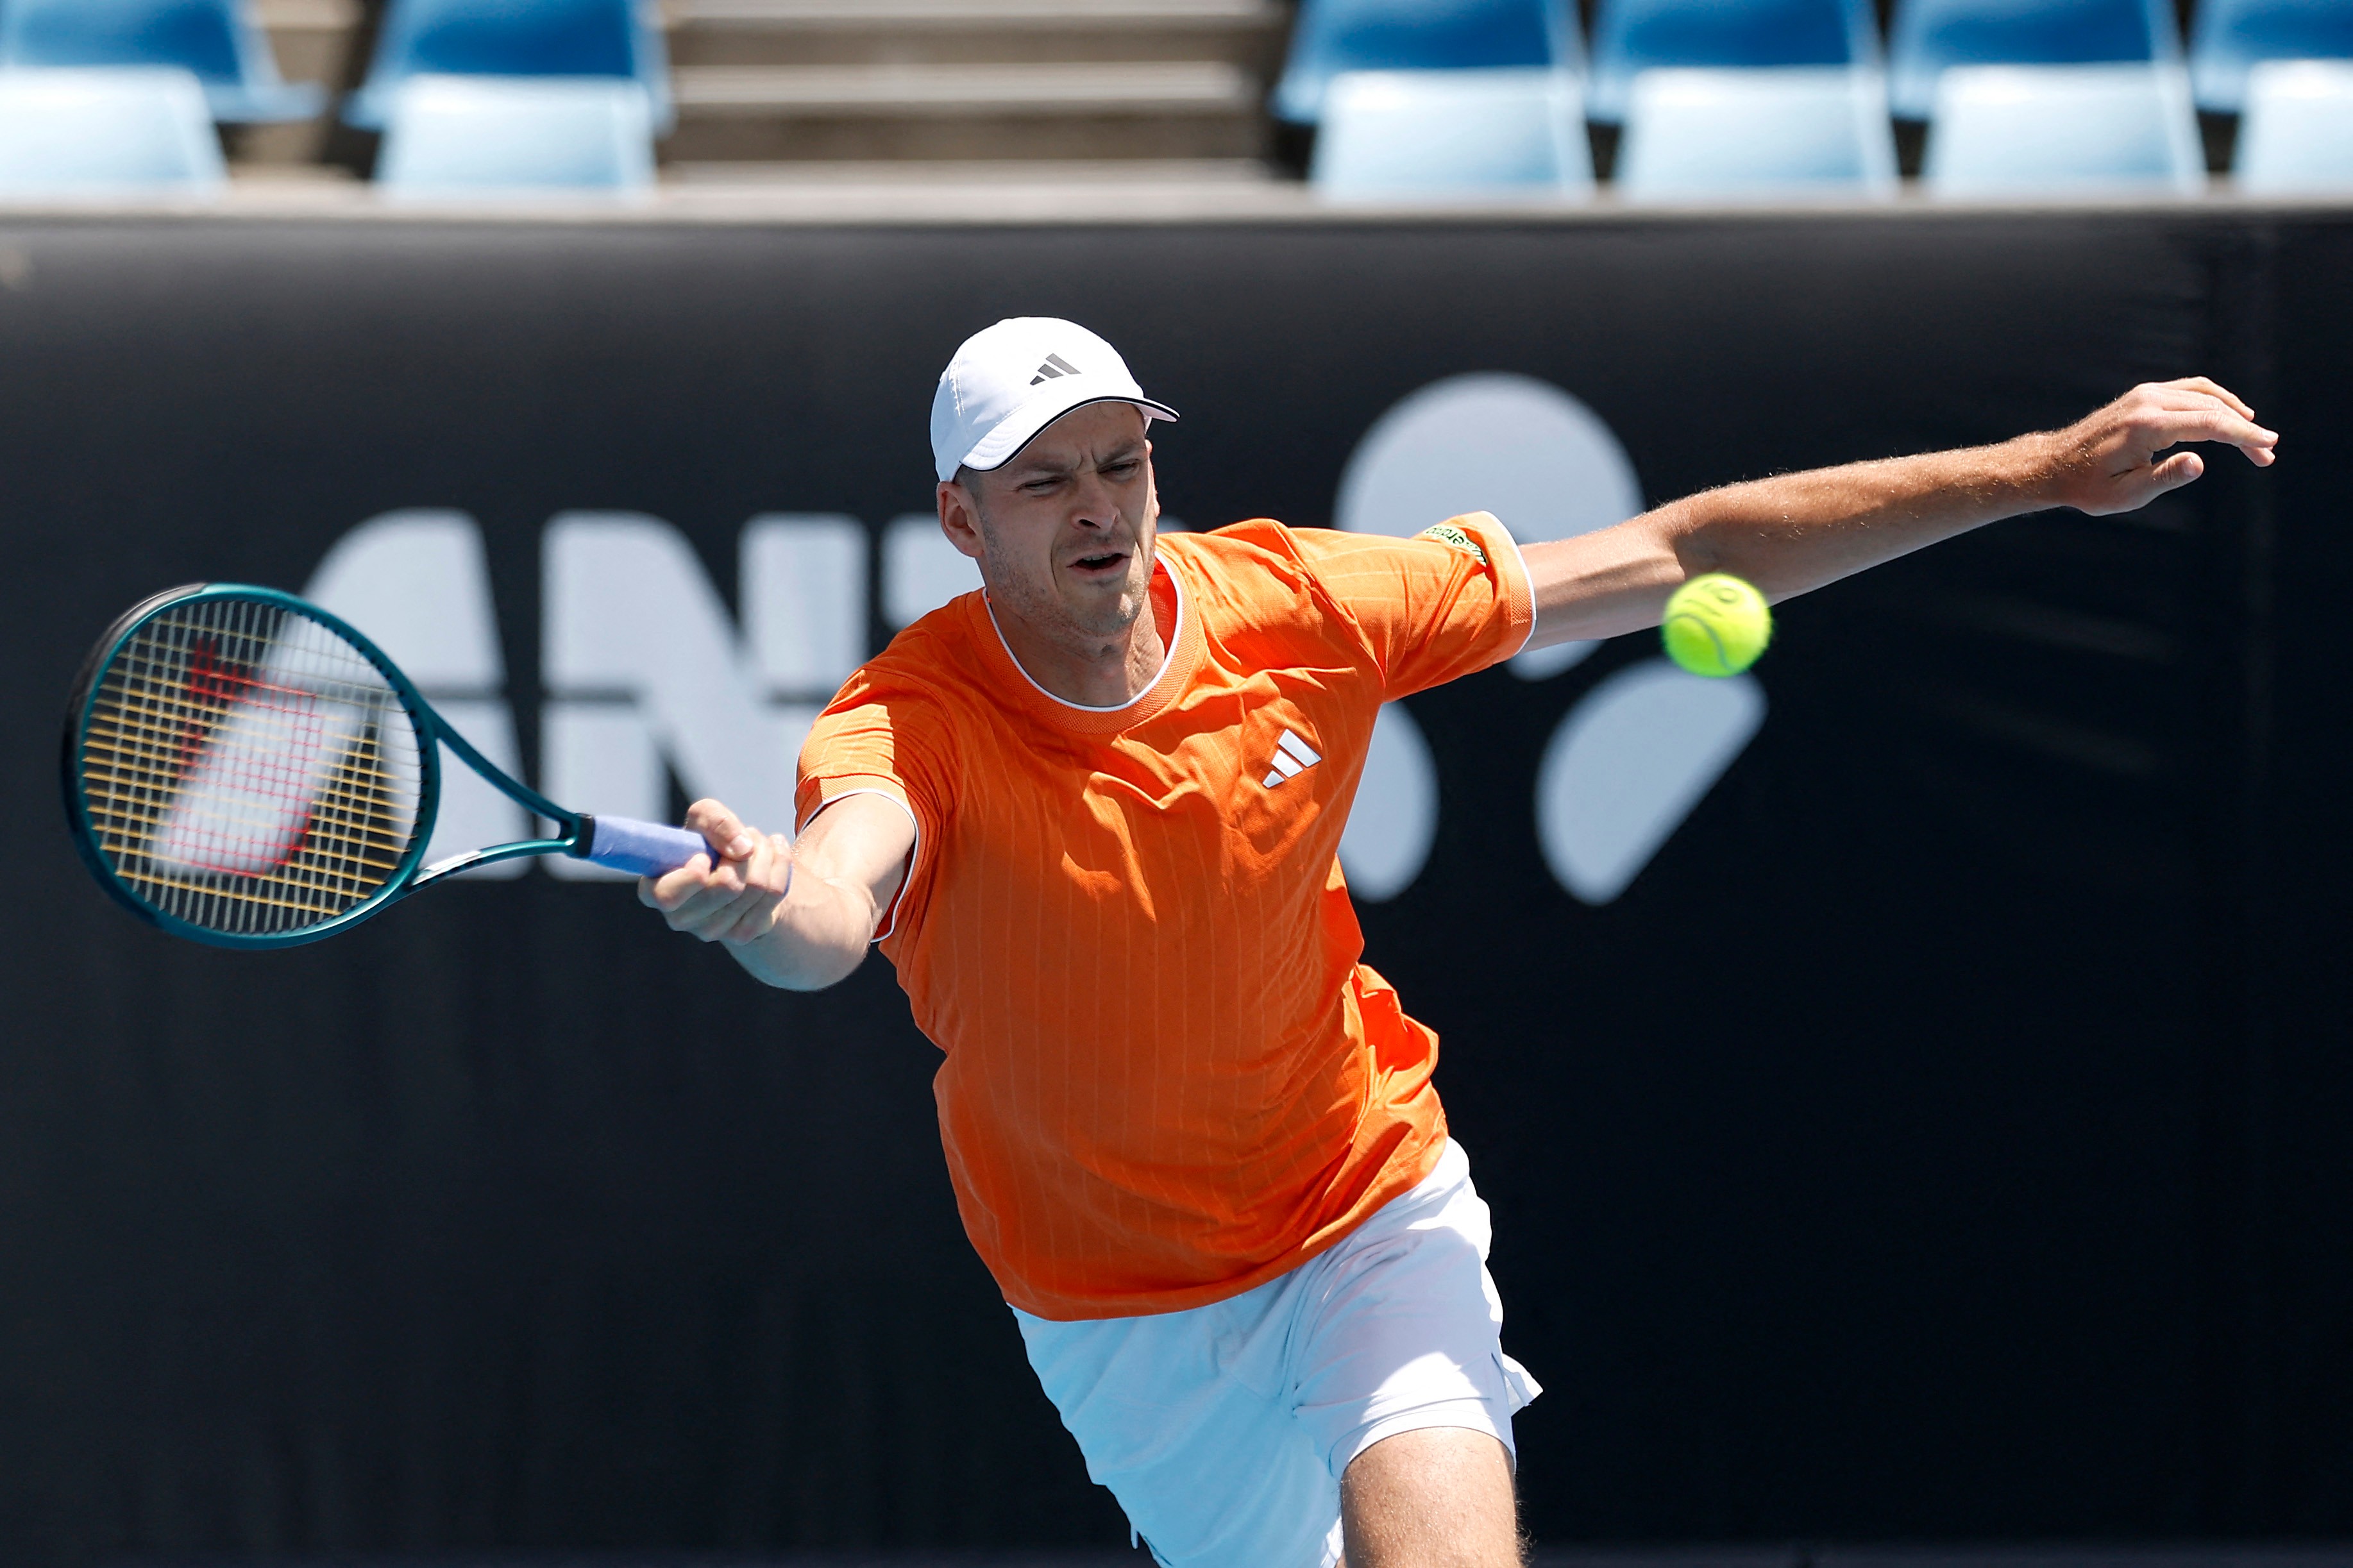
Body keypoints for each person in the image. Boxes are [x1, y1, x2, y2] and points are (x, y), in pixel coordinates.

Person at [639, 318, 2276, 1568]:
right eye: (1043, 479)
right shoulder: (904, 714)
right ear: (960, 518)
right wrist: (759, 903)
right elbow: (834, 909)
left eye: (1119, 460)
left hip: (1358, 1201)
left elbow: (1680, 550)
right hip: (1117, 1309)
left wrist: (2042, 466)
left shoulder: (1301, 607)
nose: (1099, 508)